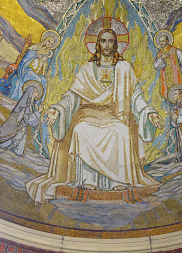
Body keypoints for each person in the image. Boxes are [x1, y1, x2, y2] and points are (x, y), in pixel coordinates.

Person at [26, 28, 164, 204]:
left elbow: (136, 97)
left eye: (111, 41)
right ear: (97, 44)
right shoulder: (87, 69)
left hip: (113, 117)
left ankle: (117, 180)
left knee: (121, 130)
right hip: (89, 116)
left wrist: (149, 113)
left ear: (116, 44)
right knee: (81, 130)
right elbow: (72, 97)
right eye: (103, 41)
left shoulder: (124, 68)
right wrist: (57, 109)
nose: (107, 45)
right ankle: (88, 179)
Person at [0, 30, 59, 101]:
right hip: (26, 70)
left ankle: (37, 104)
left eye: (51, 44)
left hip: (35, 73)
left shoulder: (46, 54)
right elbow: (26, 60)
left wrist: (42, 57)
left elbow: (42, 65)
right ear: (45, 40)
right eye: (49, 41)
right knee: (37, 80)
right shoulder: (34, 48)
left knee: (44, 81)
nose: (49, 44)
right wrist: (37, 55)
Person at [0, 80, 43, 156]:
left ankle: (8, 149)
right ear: (31, 92)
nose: (37, 94)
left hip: (21, 127)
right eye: (36, 92)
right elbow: (27, 119)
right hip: (18, 126)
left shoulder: (30, 104)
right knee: (9, 140)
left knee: (16, 145)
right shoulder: (26, 104)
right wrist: (38, 112)